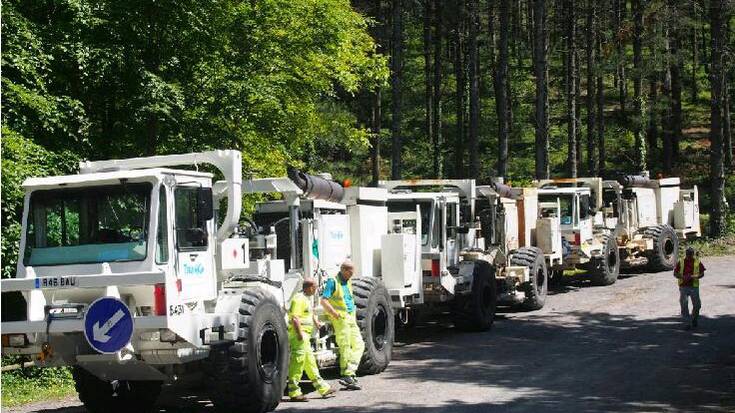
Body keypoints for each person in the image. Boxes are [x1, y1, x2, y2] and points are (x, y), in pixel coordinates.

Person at [287, 277, 336, 401]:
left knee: (310, 363)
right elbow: (295, 319)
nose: (315, 290)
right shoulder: (298, 299)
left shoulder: (305, 299)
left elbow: (308, 314)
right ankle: (294, 392)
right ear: (310, 287)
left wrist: (316, 323)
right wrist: (299, 334)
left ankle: (323, 388)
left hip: (304, 337)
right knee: (298, 363)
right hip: (300, 336)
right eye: (315, 288)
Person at [320, 261, 365, 390]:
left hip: (350, 317)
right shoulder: (333, 281)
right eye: (350, 272)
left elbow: (348, 299)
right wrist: (334, 314)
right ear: (344, 270)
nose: (351, 275)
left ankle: (349, 371)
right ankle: (348, 375)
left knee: (359, 344)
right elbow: (324, 300)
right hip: (340, 319)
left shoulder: (348, 281)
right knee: (345, 346)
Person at [674, 247, 705, 329]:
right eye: (688, 254)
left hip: (694, 287)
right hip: (683, 286)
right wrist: (682, 277)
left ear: (693, 254)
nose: (689, 255)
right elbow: (675, 274)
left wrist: (693, 276)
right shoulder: (681, 262)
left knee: (697, 305)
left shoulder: (697, 262)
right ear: (686, 254)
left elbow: (702, 274)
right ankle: (687, 323)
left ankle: (694, 319)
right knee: (684, 304)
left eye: (691, 254)